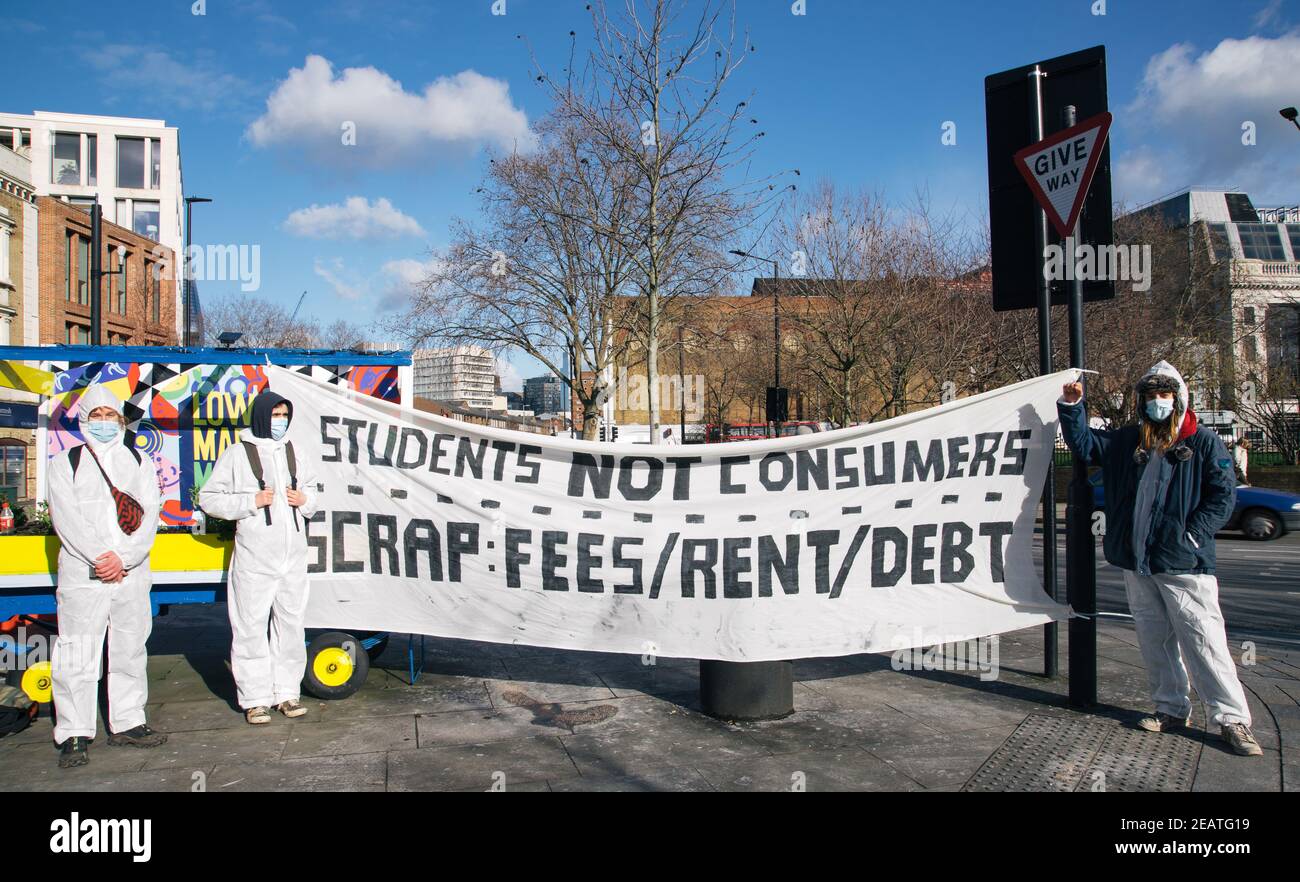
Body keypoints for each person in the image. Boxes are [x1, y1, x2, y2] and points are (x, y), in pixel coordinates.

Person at [1059, 361, 1262, 756]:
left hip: (1184, 563)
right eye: (1151, 396)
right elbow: (1085, 446)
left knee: (1204, 641)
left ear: (1179, 399)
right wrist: (1073, 407)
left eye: (1164, 395)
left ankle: (1232, 720)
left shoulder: (1201, 442)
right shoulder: (1129, 441)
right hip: (1139, 561)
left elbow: (1223, 495)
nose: (1157, 402)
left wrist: (1191, 534)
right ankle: (1170, 708)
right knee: (1155, 640)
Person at [48, 384, 166, 768]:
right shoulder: (66, 463)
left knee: (130, 647)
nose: (102, 423)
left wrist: (125, 558)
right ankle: (75, 731)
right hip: (86, 573)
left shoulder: (138, 461)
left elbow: (149, 515)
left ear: (120, 420)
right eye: (95, 416)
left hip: (130, 573)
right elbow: (66, 519)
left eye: (109, 416)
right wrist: (102, 558)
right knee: (78, 652)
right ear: (84, 420)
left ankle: (129, 721)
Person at [199, 391, 317, 724]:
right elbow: (209, 498)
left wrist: (304, 500)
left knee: (290, 626)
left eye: (284, 414)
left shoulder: (295, 451)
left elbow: (314, 495)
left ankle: (287, 693)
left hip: (292, 557)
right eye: (275, 414)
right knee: (250, 627)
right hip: (255, 558)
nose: (280, 420)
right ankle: (255, 698)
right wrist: (250, 501)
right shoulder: (238, 454)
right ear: (262, 415)